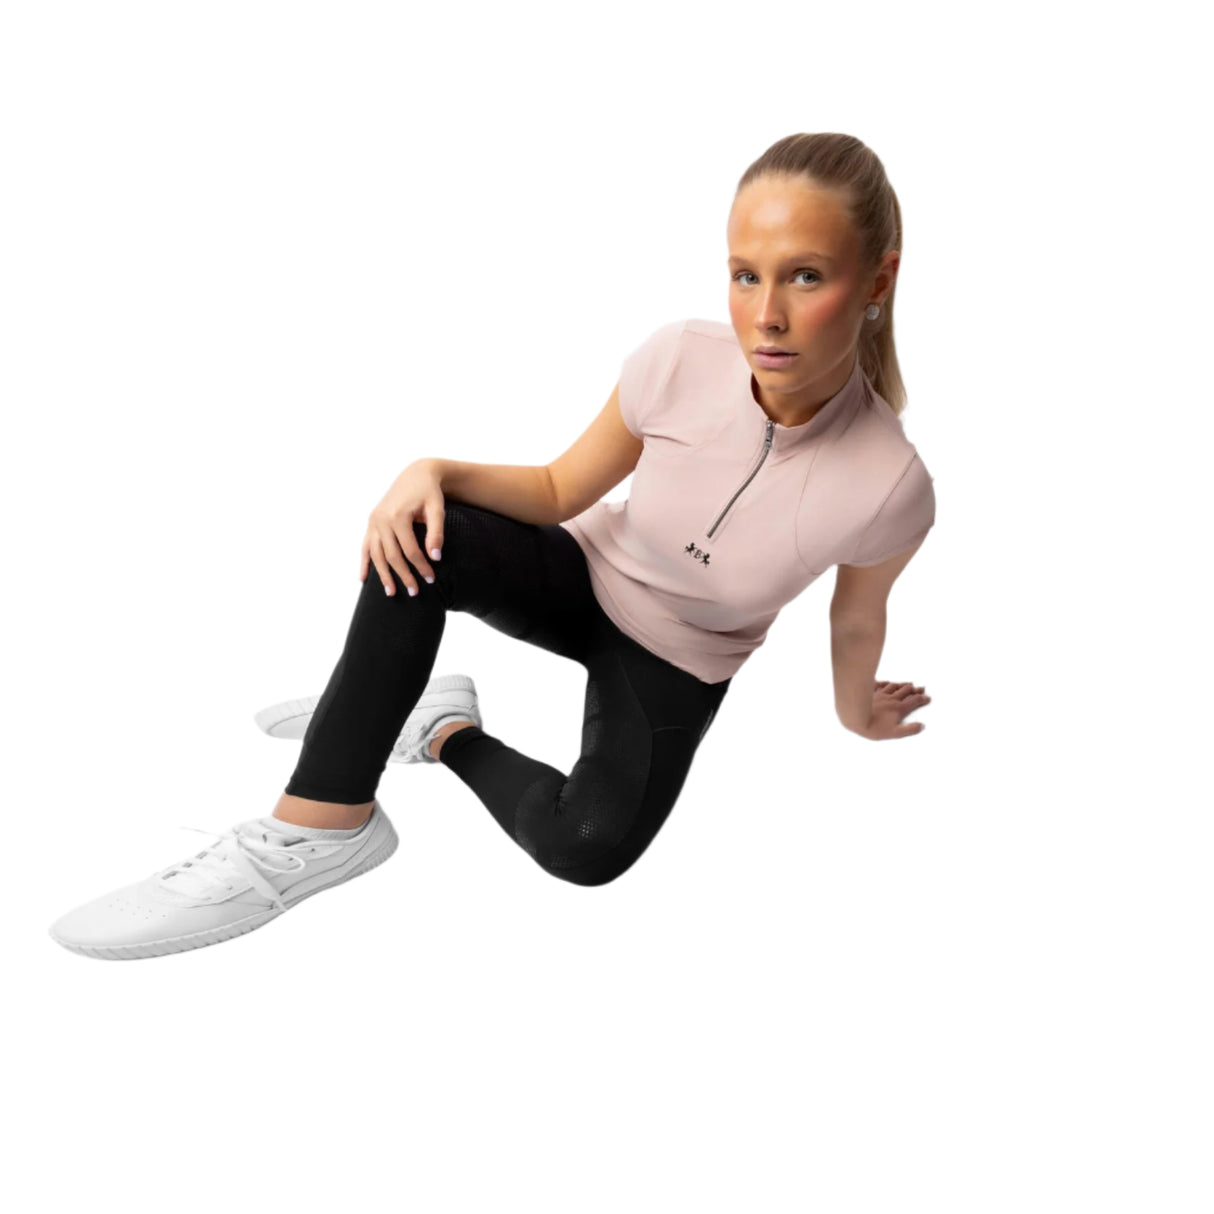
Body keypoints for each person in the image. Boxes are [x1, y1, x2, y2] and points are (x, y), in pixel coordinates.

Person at [48, 131, 936, 961]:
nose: (766, 315)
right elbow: (556, 490)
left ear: (878, 278)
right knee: (422, 534)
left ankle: (441, 728)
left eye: (805, 277)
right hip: (583, 575)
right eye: (745, 276)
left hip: (680, 658)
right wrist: (429, 470)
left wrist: (855, 713)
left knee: (584, 849)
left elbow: (856, 618)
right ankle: (320, 825)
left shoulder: (889, 484)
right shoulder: (677, 359)